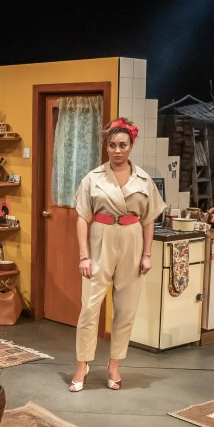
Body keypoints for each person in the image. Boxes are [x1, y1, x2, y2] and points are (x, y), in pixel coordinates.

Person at [70, 117, 166, 392]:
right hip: (101, 238)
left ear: (131, 146)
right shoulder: (93, 178)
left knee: (125, 309)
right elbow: (81, 217)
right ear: (107, 147)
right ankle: (83, 364)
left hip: (132, 241)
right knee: (89, 307)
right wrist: (83, 256)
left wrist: (147, 254)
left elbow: (149, 220)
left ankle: (114, 364)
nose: (117, 150)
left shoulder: (144, 180)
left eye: (122, 145)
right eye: (112, 145)